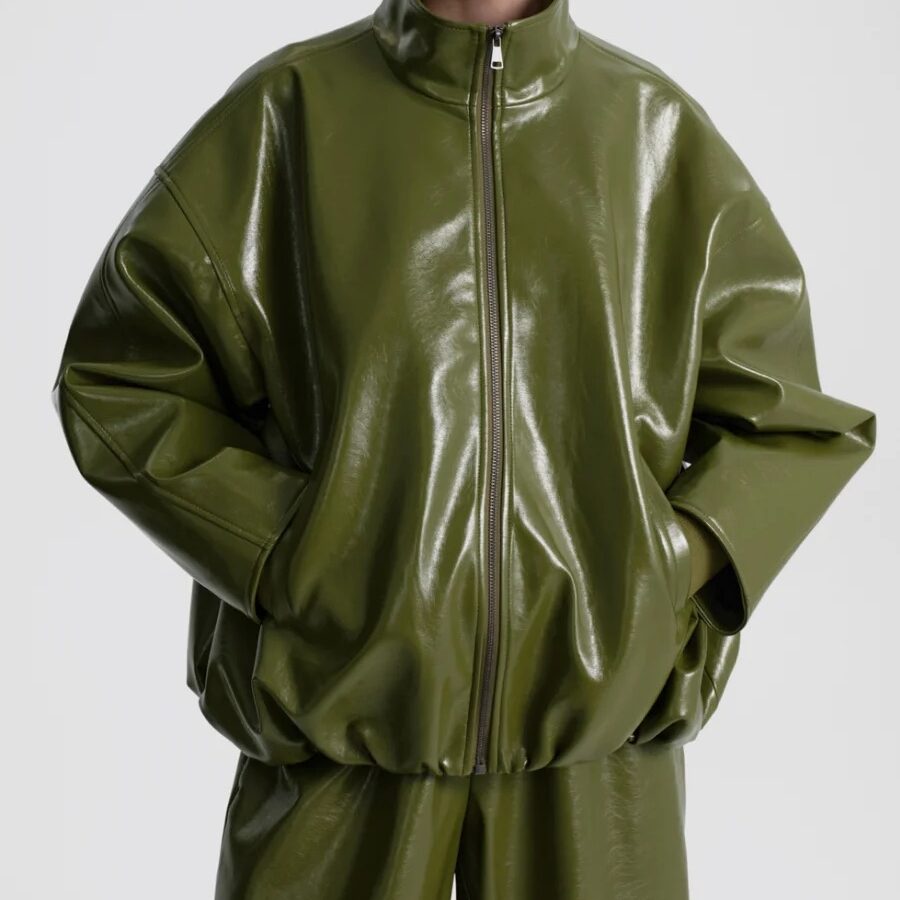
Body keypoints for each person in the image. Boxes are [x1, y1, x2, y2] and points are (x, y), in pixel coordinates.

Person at [51, 0, 877, 896]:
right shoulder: (286, 118)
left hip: (596, 767)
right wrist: (293, 551)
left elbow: (792, 423)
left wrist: (662, 566)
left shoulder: (655, 136)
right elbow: (120, 379)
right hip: (338, 734)